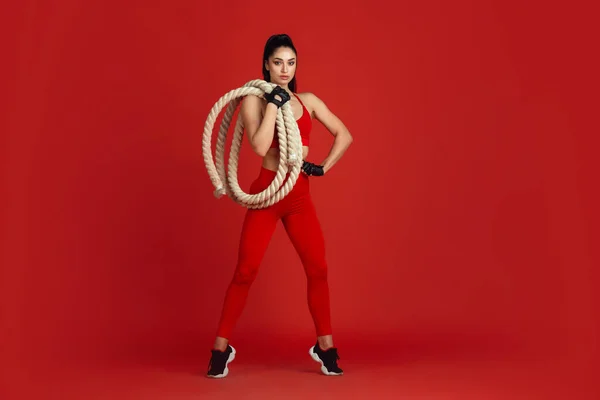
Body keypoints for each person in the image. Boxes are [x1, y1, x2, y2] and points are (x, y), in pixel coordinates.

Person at [206, 33, 353, 378]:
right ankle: (219, 350)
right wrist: (273, 102)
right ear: (266, 65)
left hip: (298, 196)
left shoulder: (309, 101)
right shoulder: (254, 101)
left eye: (291, 62)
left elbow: (344, 135)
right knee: (245, 271)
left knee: (318, 268)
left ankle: (326, 347)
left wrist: (321, 167)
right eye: (277, 62)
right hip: (267, 194)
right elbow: (258, 147)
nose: (284, 69)